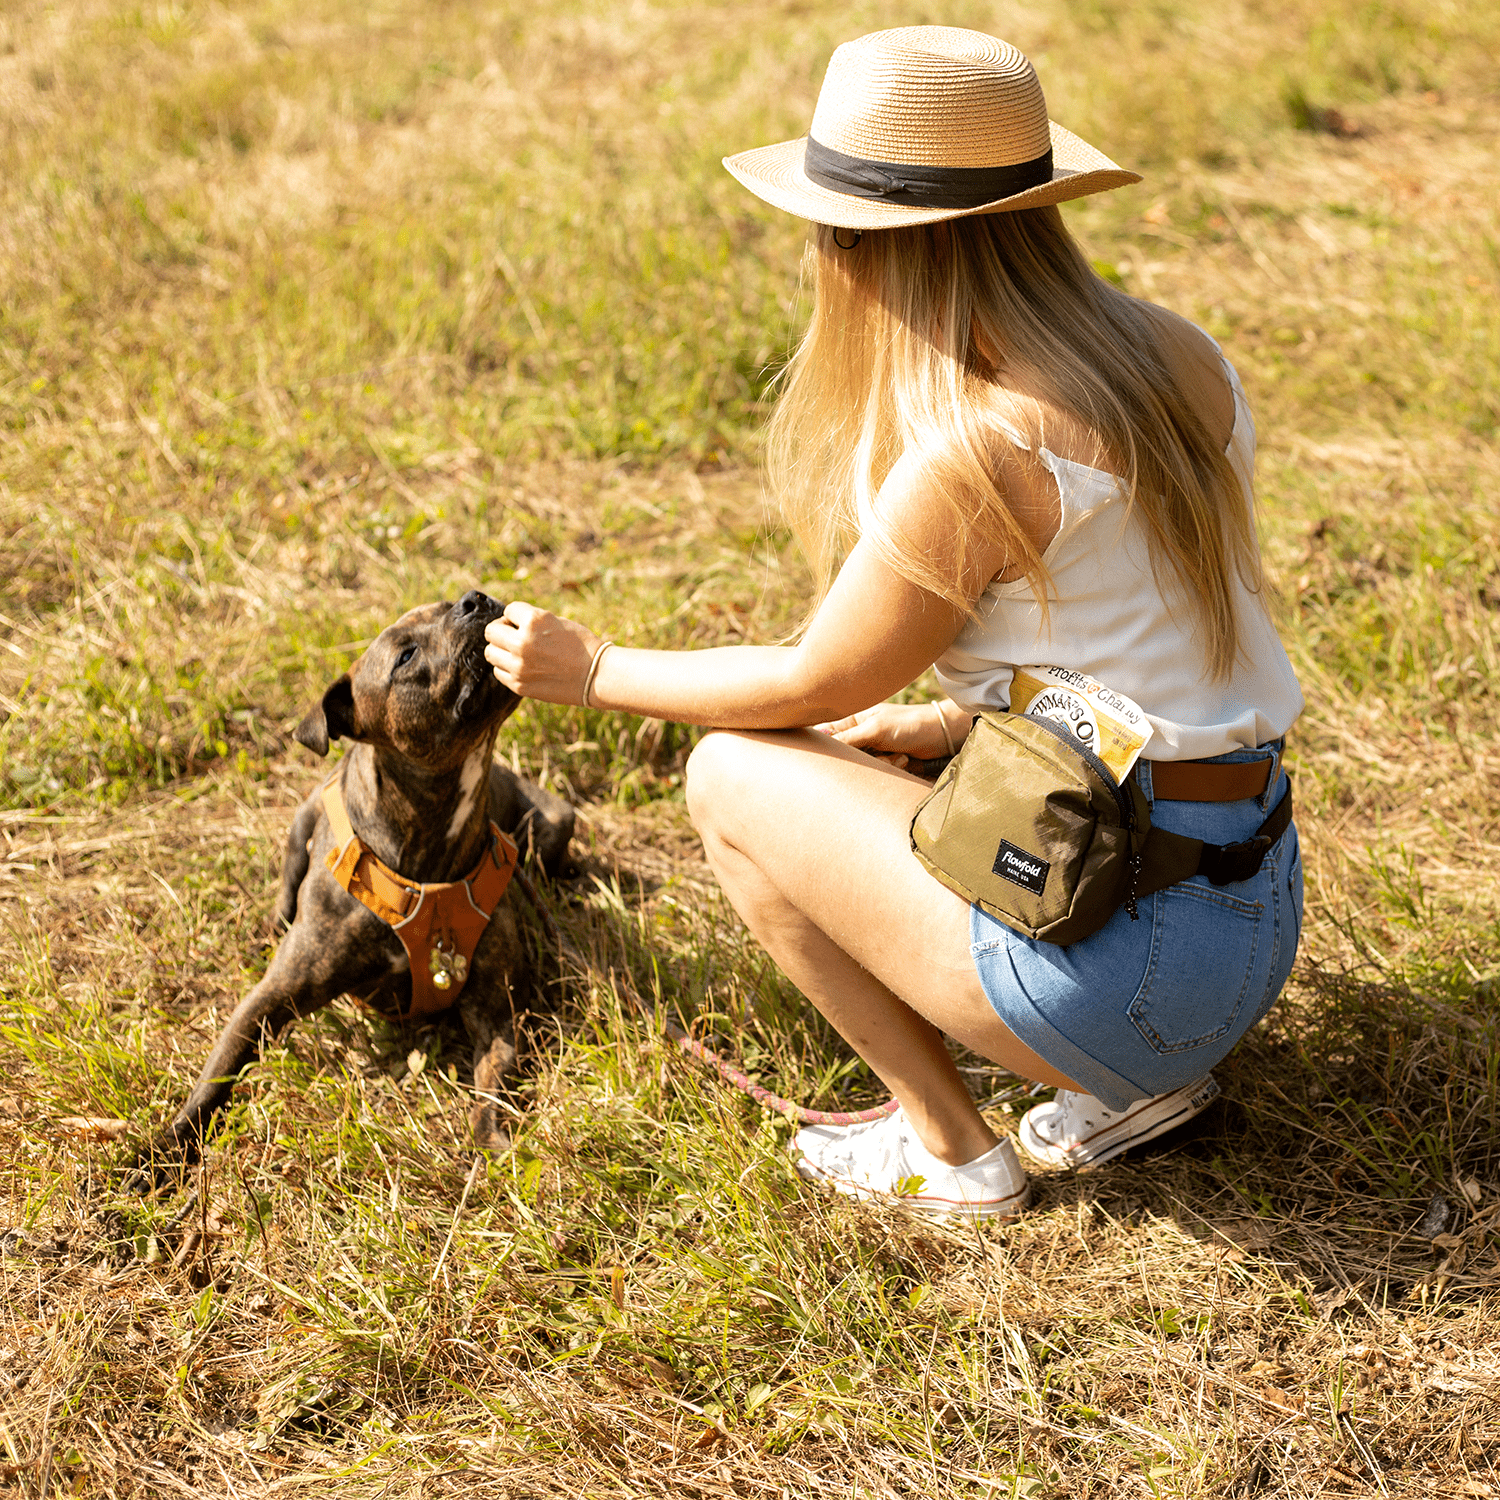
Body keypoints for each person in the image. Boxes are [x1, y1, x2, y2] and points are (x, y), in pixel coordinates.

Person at [483, 26, 1304, 1221]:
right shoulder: (1181, 356)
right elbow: (1141, 650)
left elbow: (811, 682)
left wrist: (594, 667)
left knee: (732, 778)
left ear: (860, 247)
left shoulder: (986, 448)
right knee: (885, 761)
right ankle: (1127, 1090)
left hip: (1123, 973)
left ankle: (949, 1153)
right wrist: (952, 724)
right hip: (1254, 915)